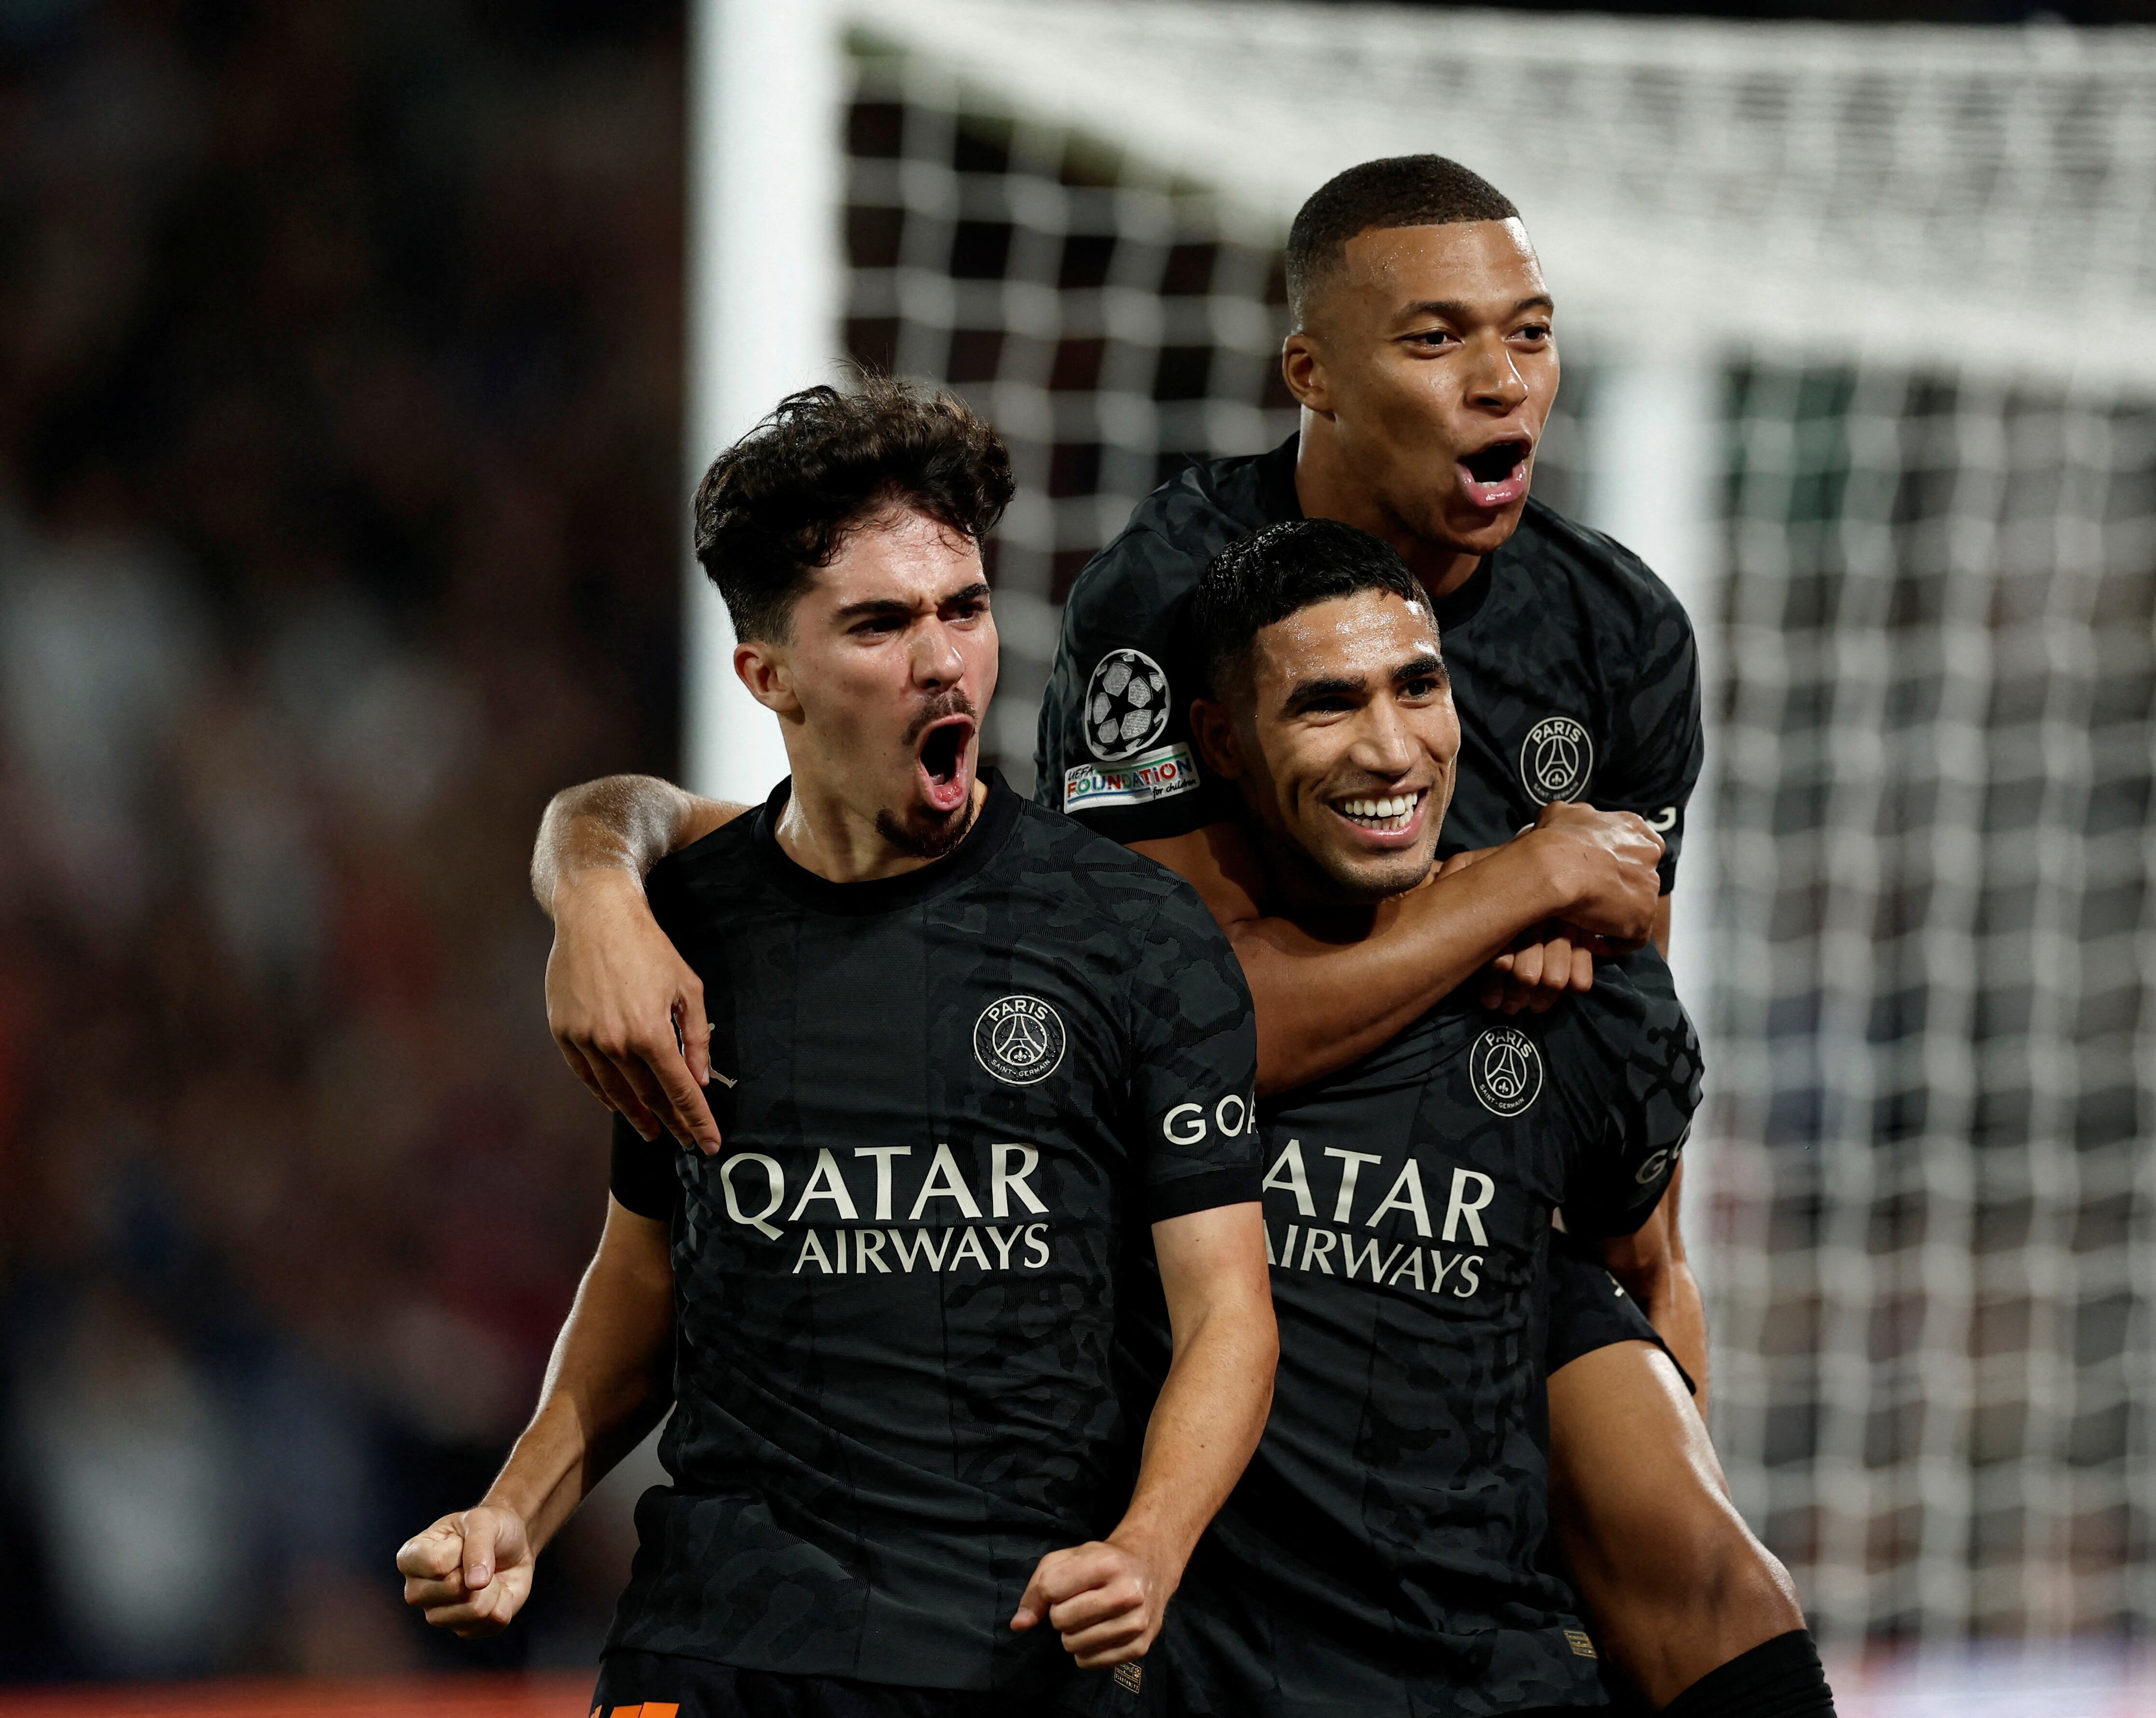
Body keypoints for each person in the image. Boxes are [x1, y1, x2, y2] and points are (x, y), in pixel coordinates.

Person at [529, 158, 1730, 1691]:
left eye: (1532, 332)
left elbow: (1633, 1035)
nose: (1506, 383)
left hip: (1465, 1217)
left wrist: (1593, 969)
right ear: (1314, 371)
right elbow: (1169, 1007)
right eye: (1438, 340)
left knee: (1706, 1571)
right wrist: (590, 874)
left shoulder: (1619, 632)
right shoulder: (1166, 596)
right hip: (1192, 1225)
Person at [398, 381, 1280, 1718]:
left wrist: (1149, 1546)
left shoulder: (1128, 934)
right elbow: (648, 1271)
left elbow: (1228, 1311)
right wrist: (515, 1508)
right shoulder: (688, 926)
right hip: (722, 1645)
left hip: (1012, 1654)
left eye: (964, 609)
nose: (944, 660)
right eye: (880, 622)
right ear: (769, 676)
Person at [1056, 519, 1829, 1718]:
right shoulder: (1096, 975)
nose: (1388, 748)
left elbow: (1647, 1276)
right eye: (1326, 705)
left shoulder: (1594, 1012)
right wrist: (636, 872)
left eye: (1419, 687)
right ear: (1219, 741)